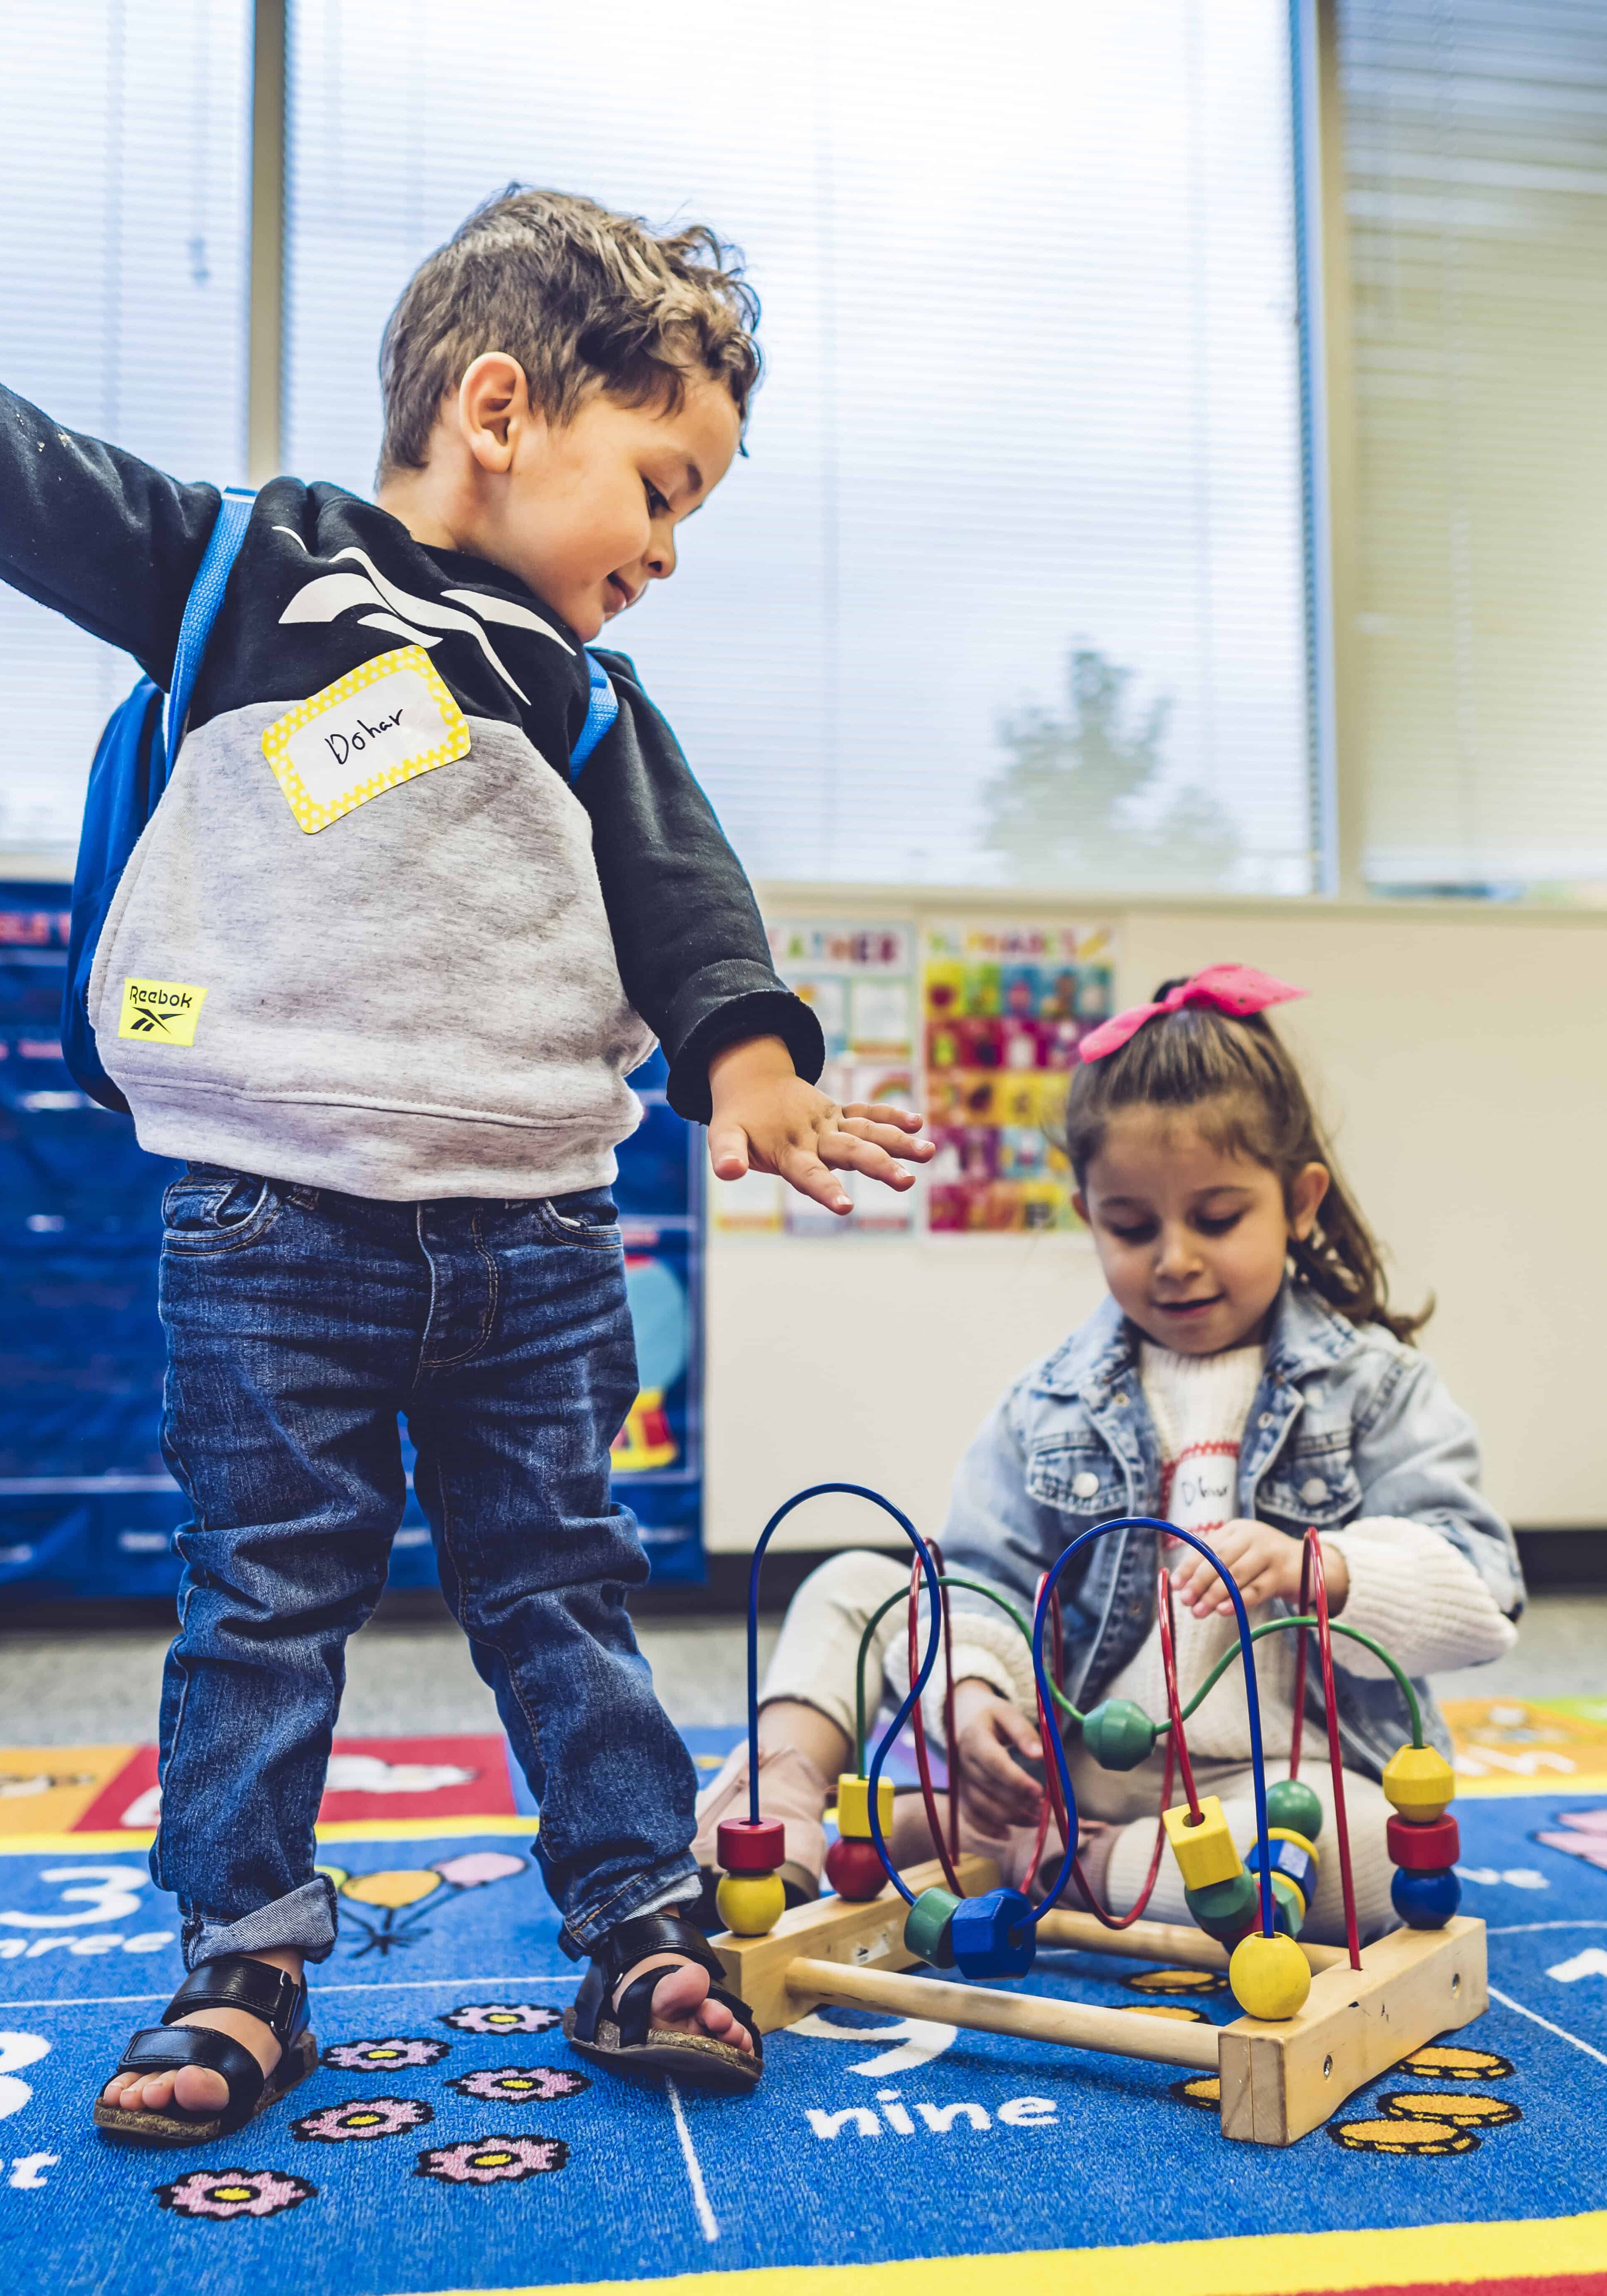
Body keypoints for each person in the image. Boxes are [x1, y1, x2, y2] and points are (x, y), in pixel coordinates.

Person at [0, 186, 934, 2139]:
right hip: (274, 1224)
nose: (671, 549)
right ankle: (242, 1960)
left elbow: (686, 898)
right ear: (500, 408)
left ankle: (639, 1919)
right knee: (262, 1600)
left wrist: (751, 1065)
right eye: (661, 487)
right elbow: (43, 483)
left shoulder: (585, 690)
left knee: (563, 1588)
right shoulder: (243, 569)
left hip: (534, 1231)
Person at [695, 964, 1522, 1945]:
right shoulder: (1052, 1400)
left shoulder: (1377, 1387)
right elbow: (981, 1581)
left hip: (1276, 1783)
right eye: (1133, 1227)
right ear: (1091, 1215)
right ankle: (781, 1803)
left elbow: (1484, 1584)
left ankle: (1067, 1863)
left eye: (1218, 1219)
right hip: (1069, 1759)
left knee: (1389, 1855)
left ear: (1300, 1202)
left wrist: (1331, 1569)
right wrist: (971, 1696)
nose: (1174, 1257)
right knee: (853, 1585)